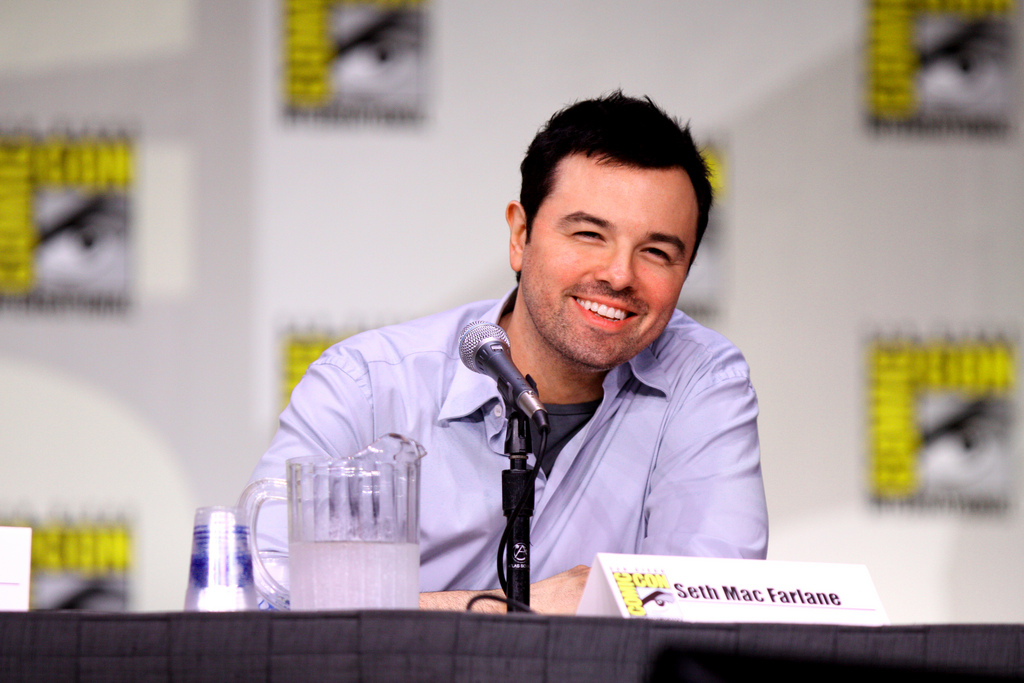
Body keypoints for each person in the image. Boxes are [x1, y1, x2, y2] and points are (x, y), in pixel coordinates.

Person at [247, 91, 768, 614]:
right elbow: (259, 600)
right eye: (589, 234)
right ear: (520, 236)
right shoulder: (368, 385)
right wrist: (515, 609)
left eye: (656, 252)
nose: (618, 275)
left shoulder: (702, 381)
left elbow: (714, 606)